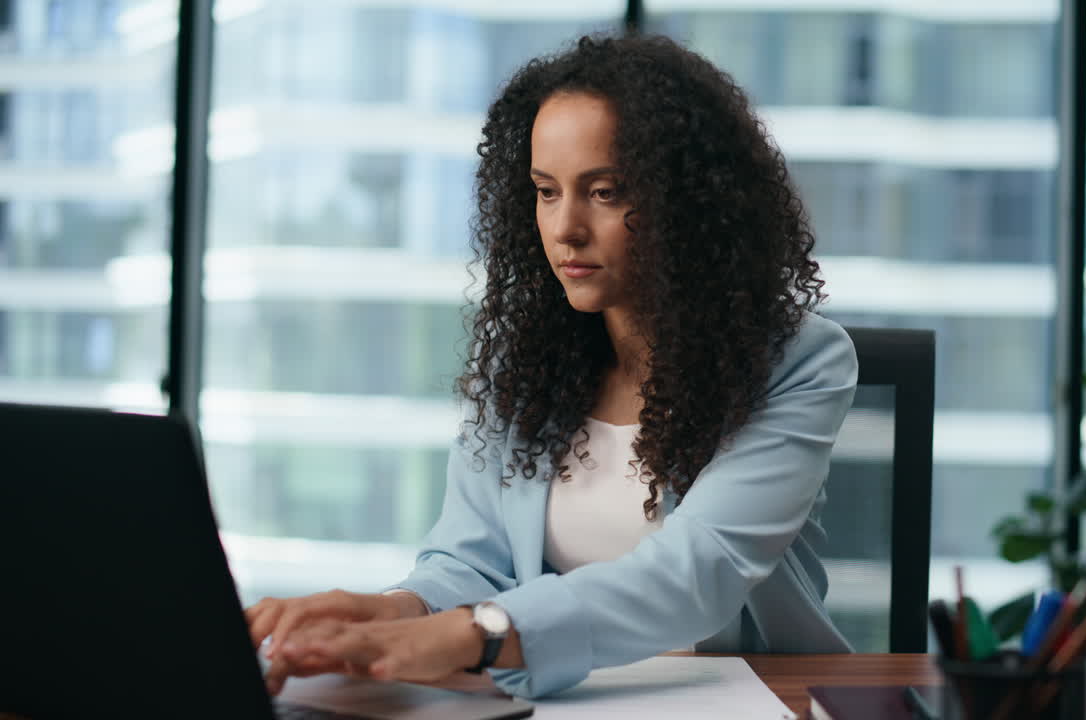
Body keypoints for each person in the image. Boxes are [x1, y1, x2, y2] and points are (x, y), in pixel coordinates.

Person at [245, 32, 858, 699]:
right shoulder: (527, 358)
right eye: (545, 191)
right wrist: (391, 612)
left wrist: (473, 634)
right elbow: (469, 559)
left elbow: (698, 572)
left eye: (604, 192)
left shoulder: (797, 359)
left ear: (687, 203)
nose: (565, 227)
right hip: (564, 695)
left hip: (748, 695)